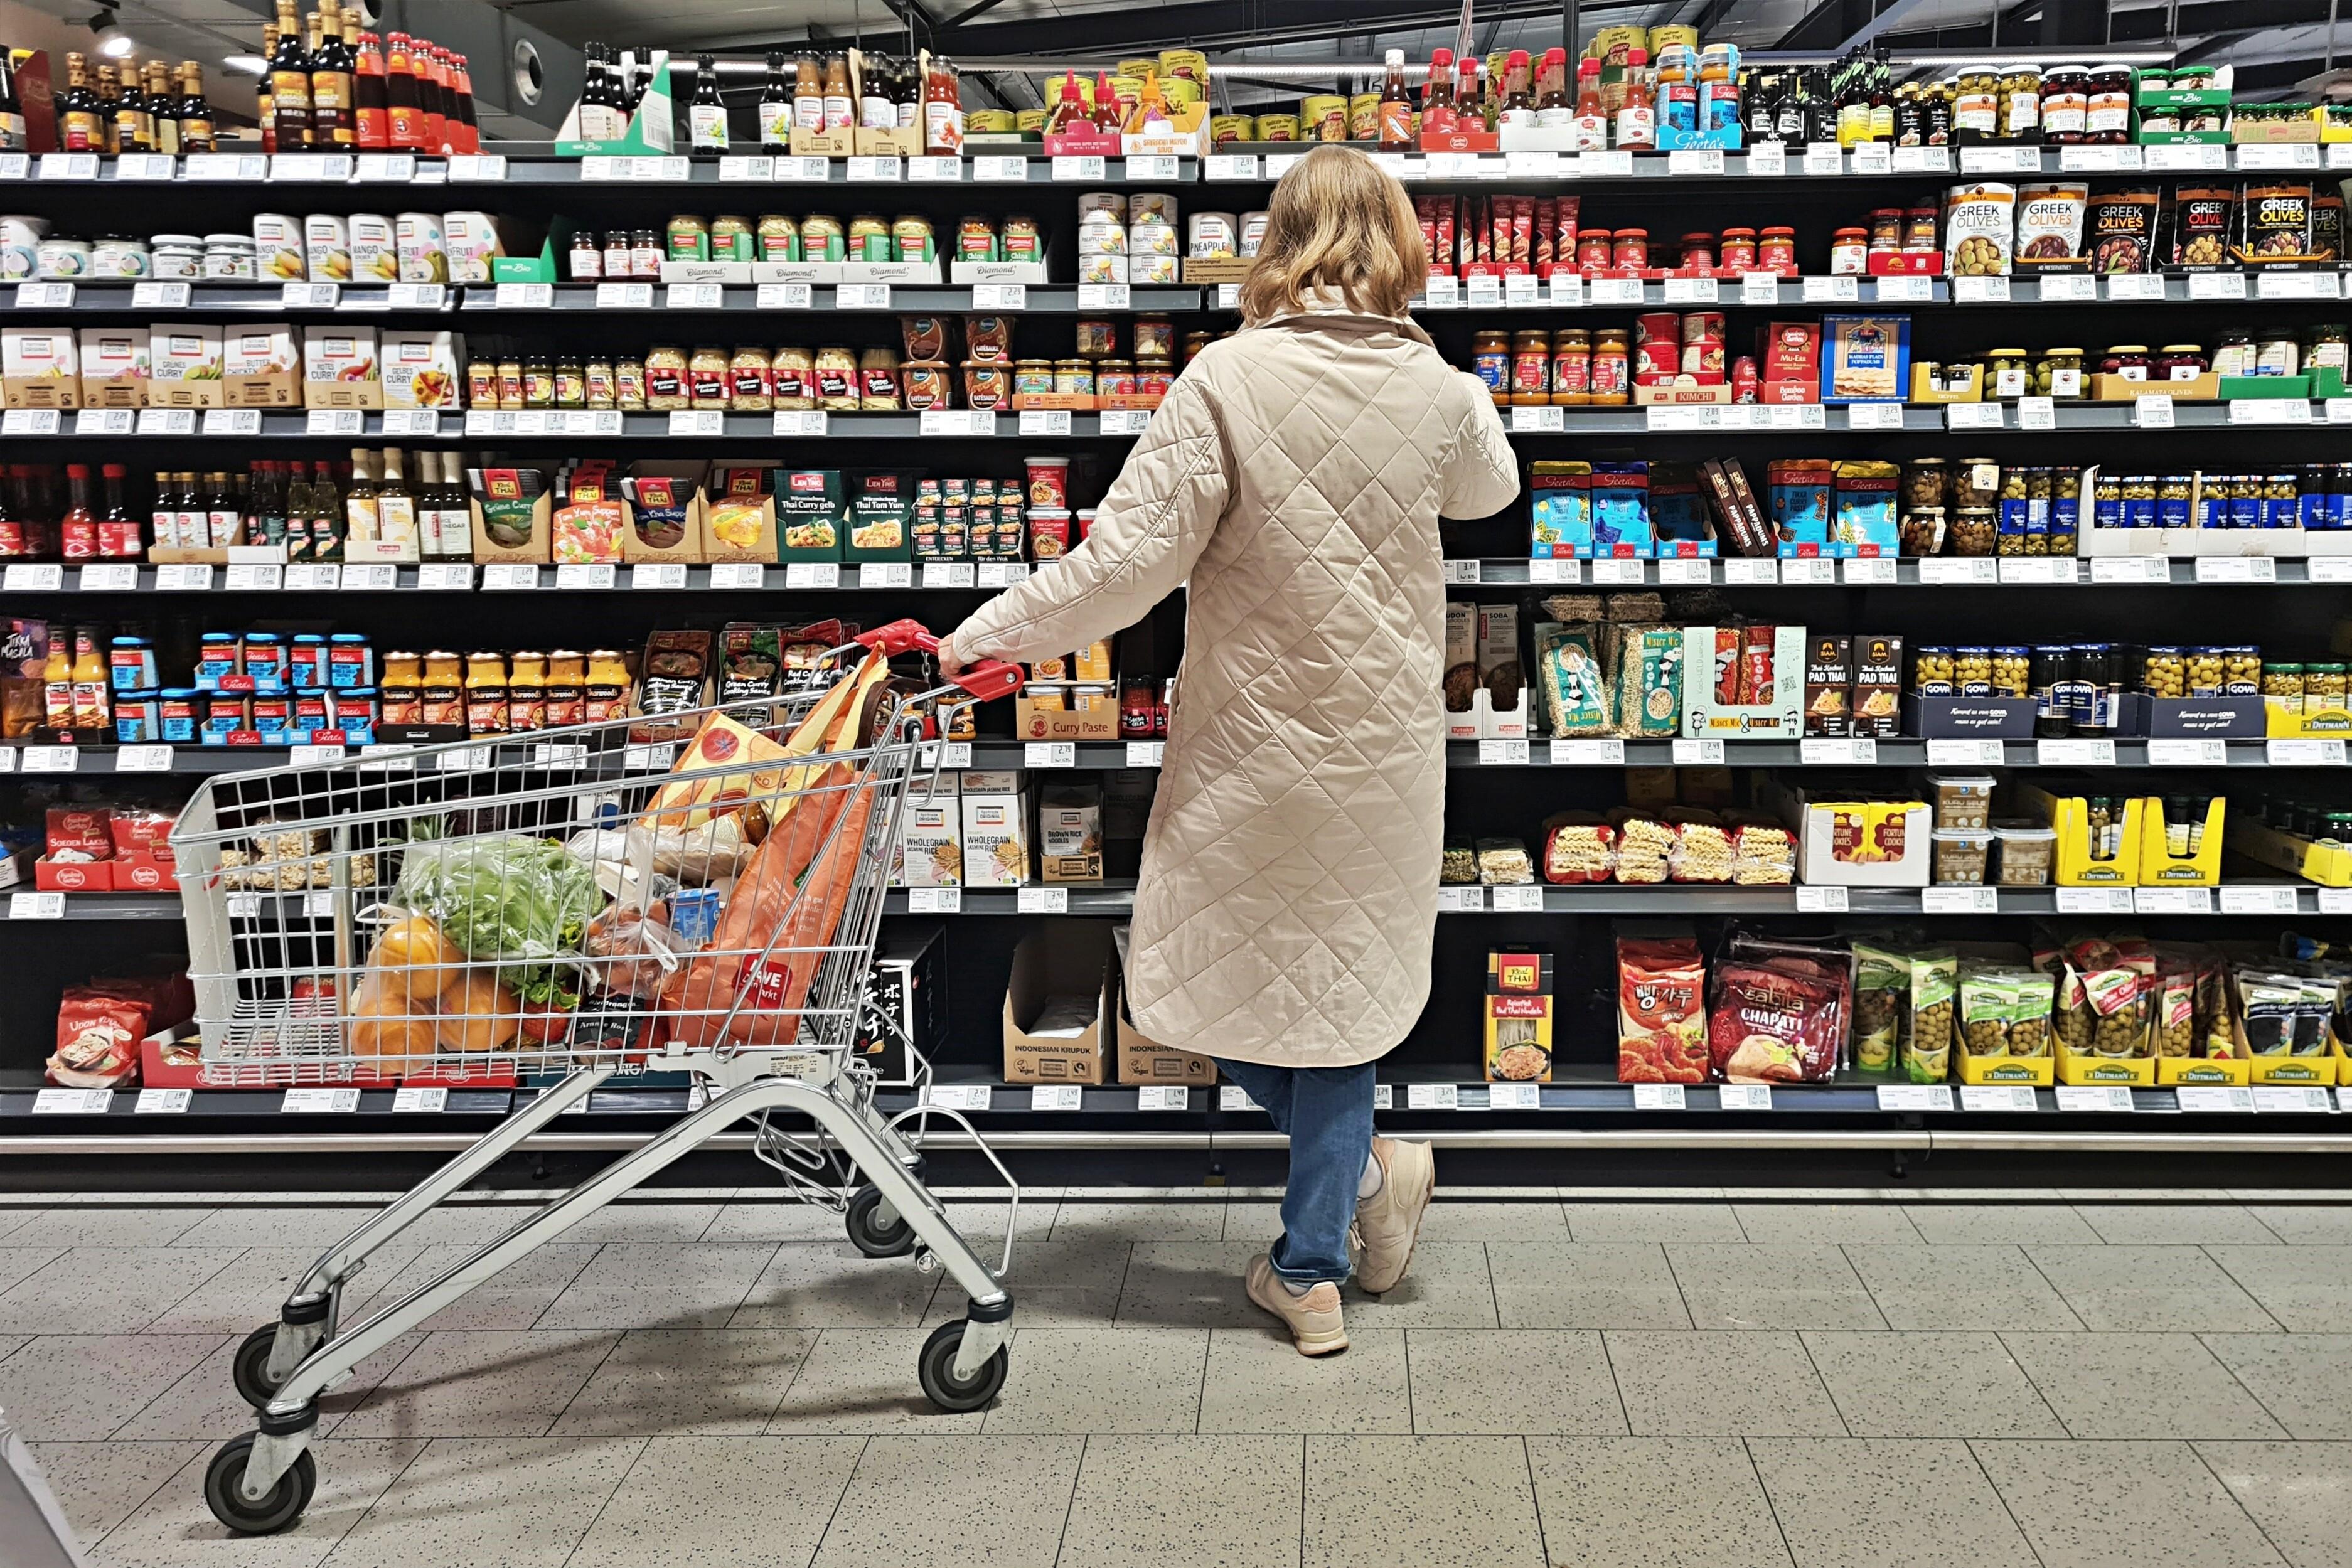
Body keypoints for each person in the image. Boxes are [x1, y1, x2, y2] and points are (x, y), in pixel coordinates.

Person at [939, 144, 1518, 1355]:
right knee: (1345, 1001)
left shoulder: (1223, 381)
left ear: (1278, 244)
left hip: (1252, 747)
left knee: (1197, 978)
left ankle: (1317, 1263)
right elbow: (1488, 492)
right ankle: (1343, 1211)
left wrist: (985, 640)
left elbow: (1124, 568)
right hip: (1382, 758)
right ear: (1402, 249)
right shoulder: (1444, 390)